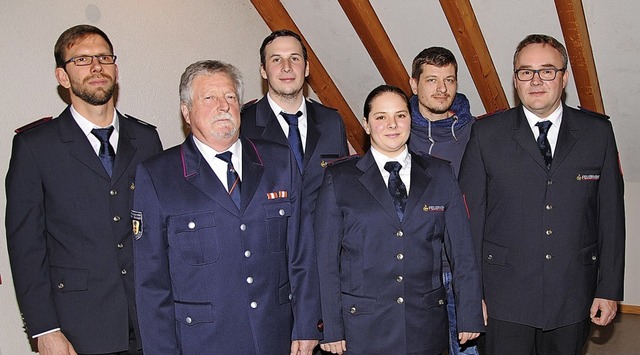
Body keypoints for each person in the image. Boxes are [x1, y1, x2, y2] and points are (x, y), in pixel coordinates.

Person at [133, 60, 322, 354]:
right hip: (204, 343)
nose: (223, 106)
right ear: (186, 110)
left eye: (230, 97)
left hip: (276, 337)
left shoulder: (278, 161)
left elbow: (302, 253)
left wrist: (308, 325)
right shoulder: (159, 176)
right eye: (209, 98)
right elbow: (151, 284)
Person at [459, 34, 625, 354]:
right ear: (515, 79)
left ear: (564, 78)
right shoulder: (485, 133)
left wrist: (608, 288)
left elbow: (610, 217)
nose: (536, 80)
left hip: (572, 291)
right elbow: (469, 222)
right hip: (503, 297)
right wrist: (470, 295)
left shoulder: (597, 133)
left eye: (547, 70)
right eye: (525, 71)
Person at [5, 24, 162, 355]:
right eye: (82, 60)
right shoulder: (34, 147)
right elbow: (26, 249)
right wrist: (44, 329)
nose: (96, 66)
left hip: (150, 324)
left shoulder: (147, 139)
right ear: (63, 77)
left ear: (115, 69)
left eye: (104, 57)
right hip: (79, 330)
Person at [315, 85, 483, 355]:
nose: (392, 124)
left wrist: (470, 314)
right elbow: (325, 262)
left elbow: (462, 252)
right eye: (381, 117)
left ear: (410, 120)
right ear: (366, 124)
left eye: (400, 115)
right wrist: (331, 328)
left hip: (424, 325)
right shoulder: (339, 179)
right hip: (363, 327)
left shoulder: (440, 174)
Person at [408, 47, 479, 355]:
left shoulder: (477, 131)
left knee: (465, 348)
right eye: (432, 80)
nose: (441, 89)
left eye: (449, 80)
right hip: (411, 265)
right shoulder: (396, 129)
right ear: (414, 84)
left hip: (459, 266)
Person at [241, 29, 349, 214]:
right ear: (263, 70)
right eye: (276, 59)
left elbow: (345, 190)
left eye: (294, 58)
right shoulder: (244, 124)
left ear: (306, 68)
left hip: (323, 239)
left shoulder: (332, 122)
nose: (286, 67)